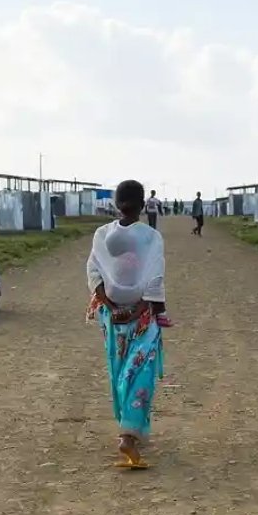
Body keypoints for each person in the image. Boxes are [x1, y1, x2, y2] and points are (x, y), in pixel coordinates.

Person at [86, 180, 173, 469]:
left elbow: (95, 274)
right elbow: (155, 278)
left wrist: (111, 307)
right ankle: (129, 435)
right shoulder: (151, 237)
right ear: (143, 202)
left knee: (119, 369)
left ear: (114, 203)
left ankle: (127, 426)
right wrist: (143, 309)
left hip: (113, 320)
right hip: (142, 318)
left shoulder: (102, 235)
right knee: (140, 371)